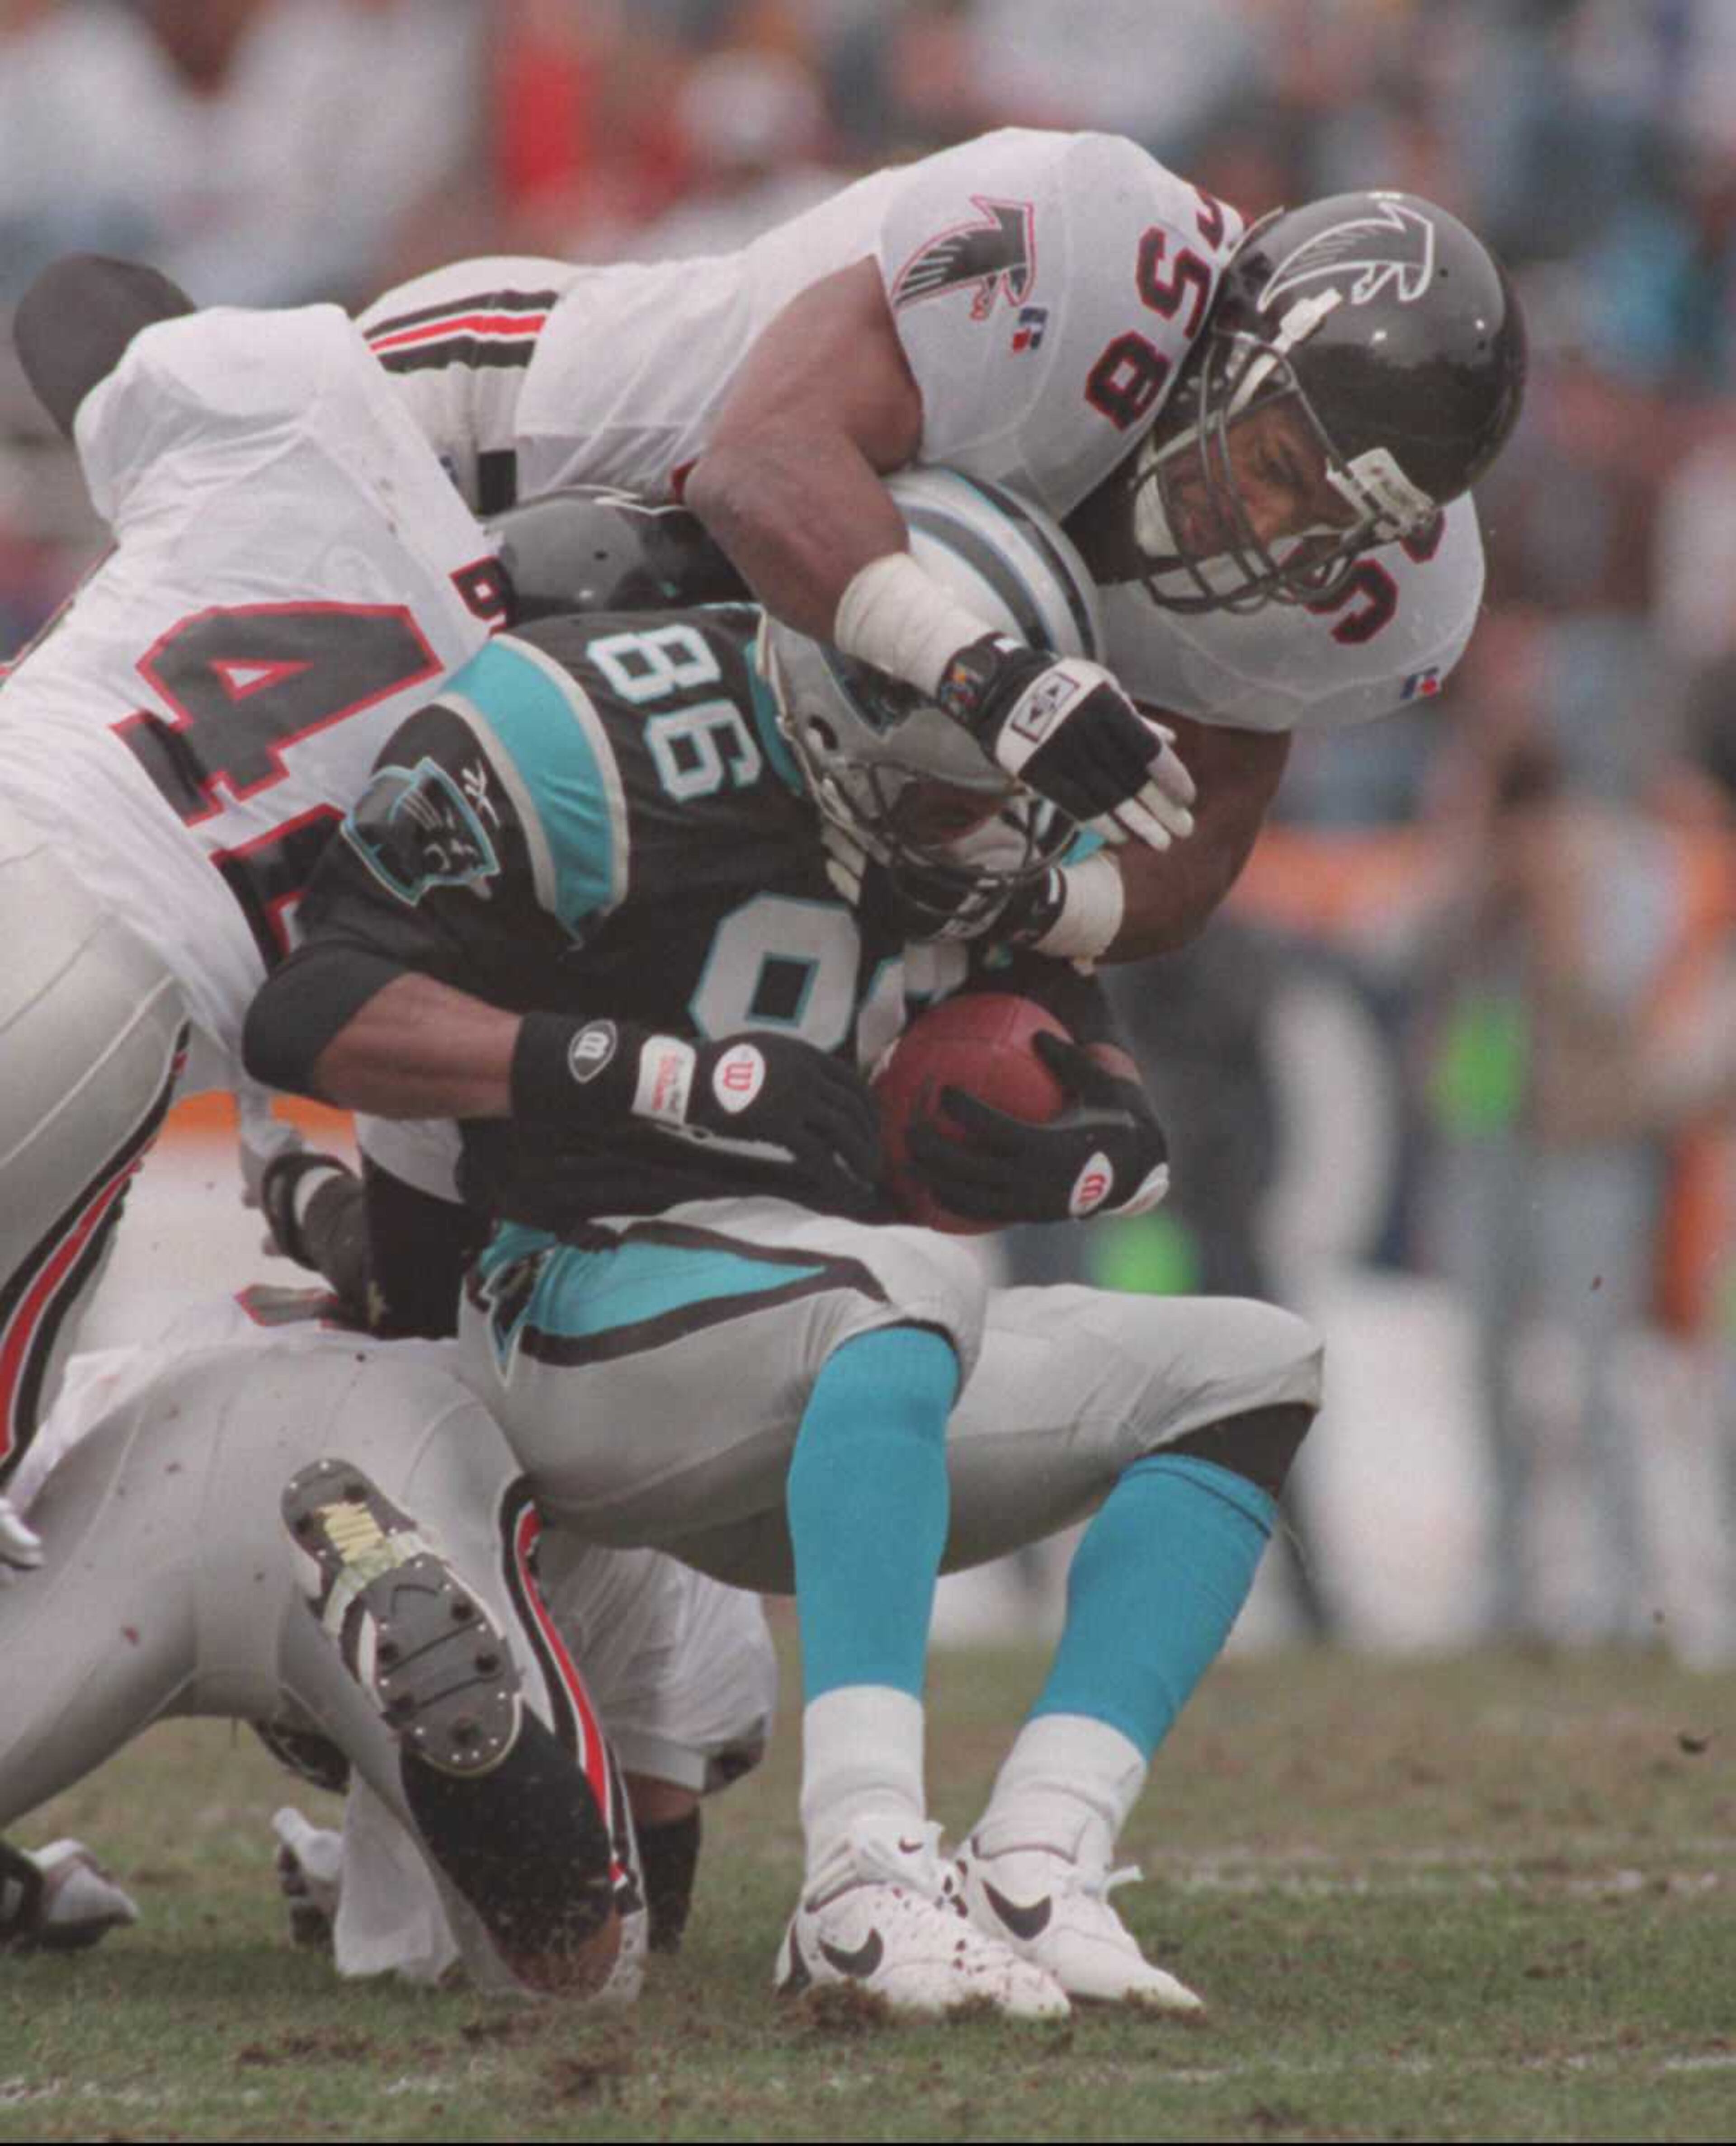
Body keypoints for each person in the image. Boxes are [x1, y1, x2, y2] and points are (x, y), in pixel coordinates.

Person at [244, 478, 1325, 2019]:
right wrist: (639, 1069)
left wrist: (1106, 1137)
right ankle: (865, 1871)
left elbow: (1057, 1005)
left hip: (833, 1374)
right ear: (831, 706)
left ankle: (1039, 1857)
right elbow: (311, 1008)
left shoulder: (970, 780)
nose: (983, 833)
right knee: (901, 1289)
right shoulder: (584, 732)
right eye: (952, 799)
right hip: (575, 1305)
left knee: (1252, 1363)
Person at [359, 128, 1527, 960]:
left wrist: (1035, 909)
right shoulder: (1084, 264)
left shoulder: (1371, 610)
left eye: (1324, 525)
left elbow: (1200, 836)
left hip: (723, 720)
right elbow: (754, 468)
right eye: (1278, 466)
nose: (1270, 528)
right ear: (1231, 343)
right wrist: (981, 675)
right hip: (500, 439)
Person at [0, 256, 509, 1523]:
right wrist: (301, 1193)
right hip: (115, 992)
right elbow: (416, 1274)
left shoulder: (302, 421)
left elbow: (77, 304)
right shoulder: (542, 743)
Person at [0, 1280, 776, 1992]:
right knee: (580, 1962)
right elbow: (660, 1813)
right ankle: (383, 1618)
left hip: (149, 1416)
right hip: (397, 1462)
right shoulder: (661, 1510)